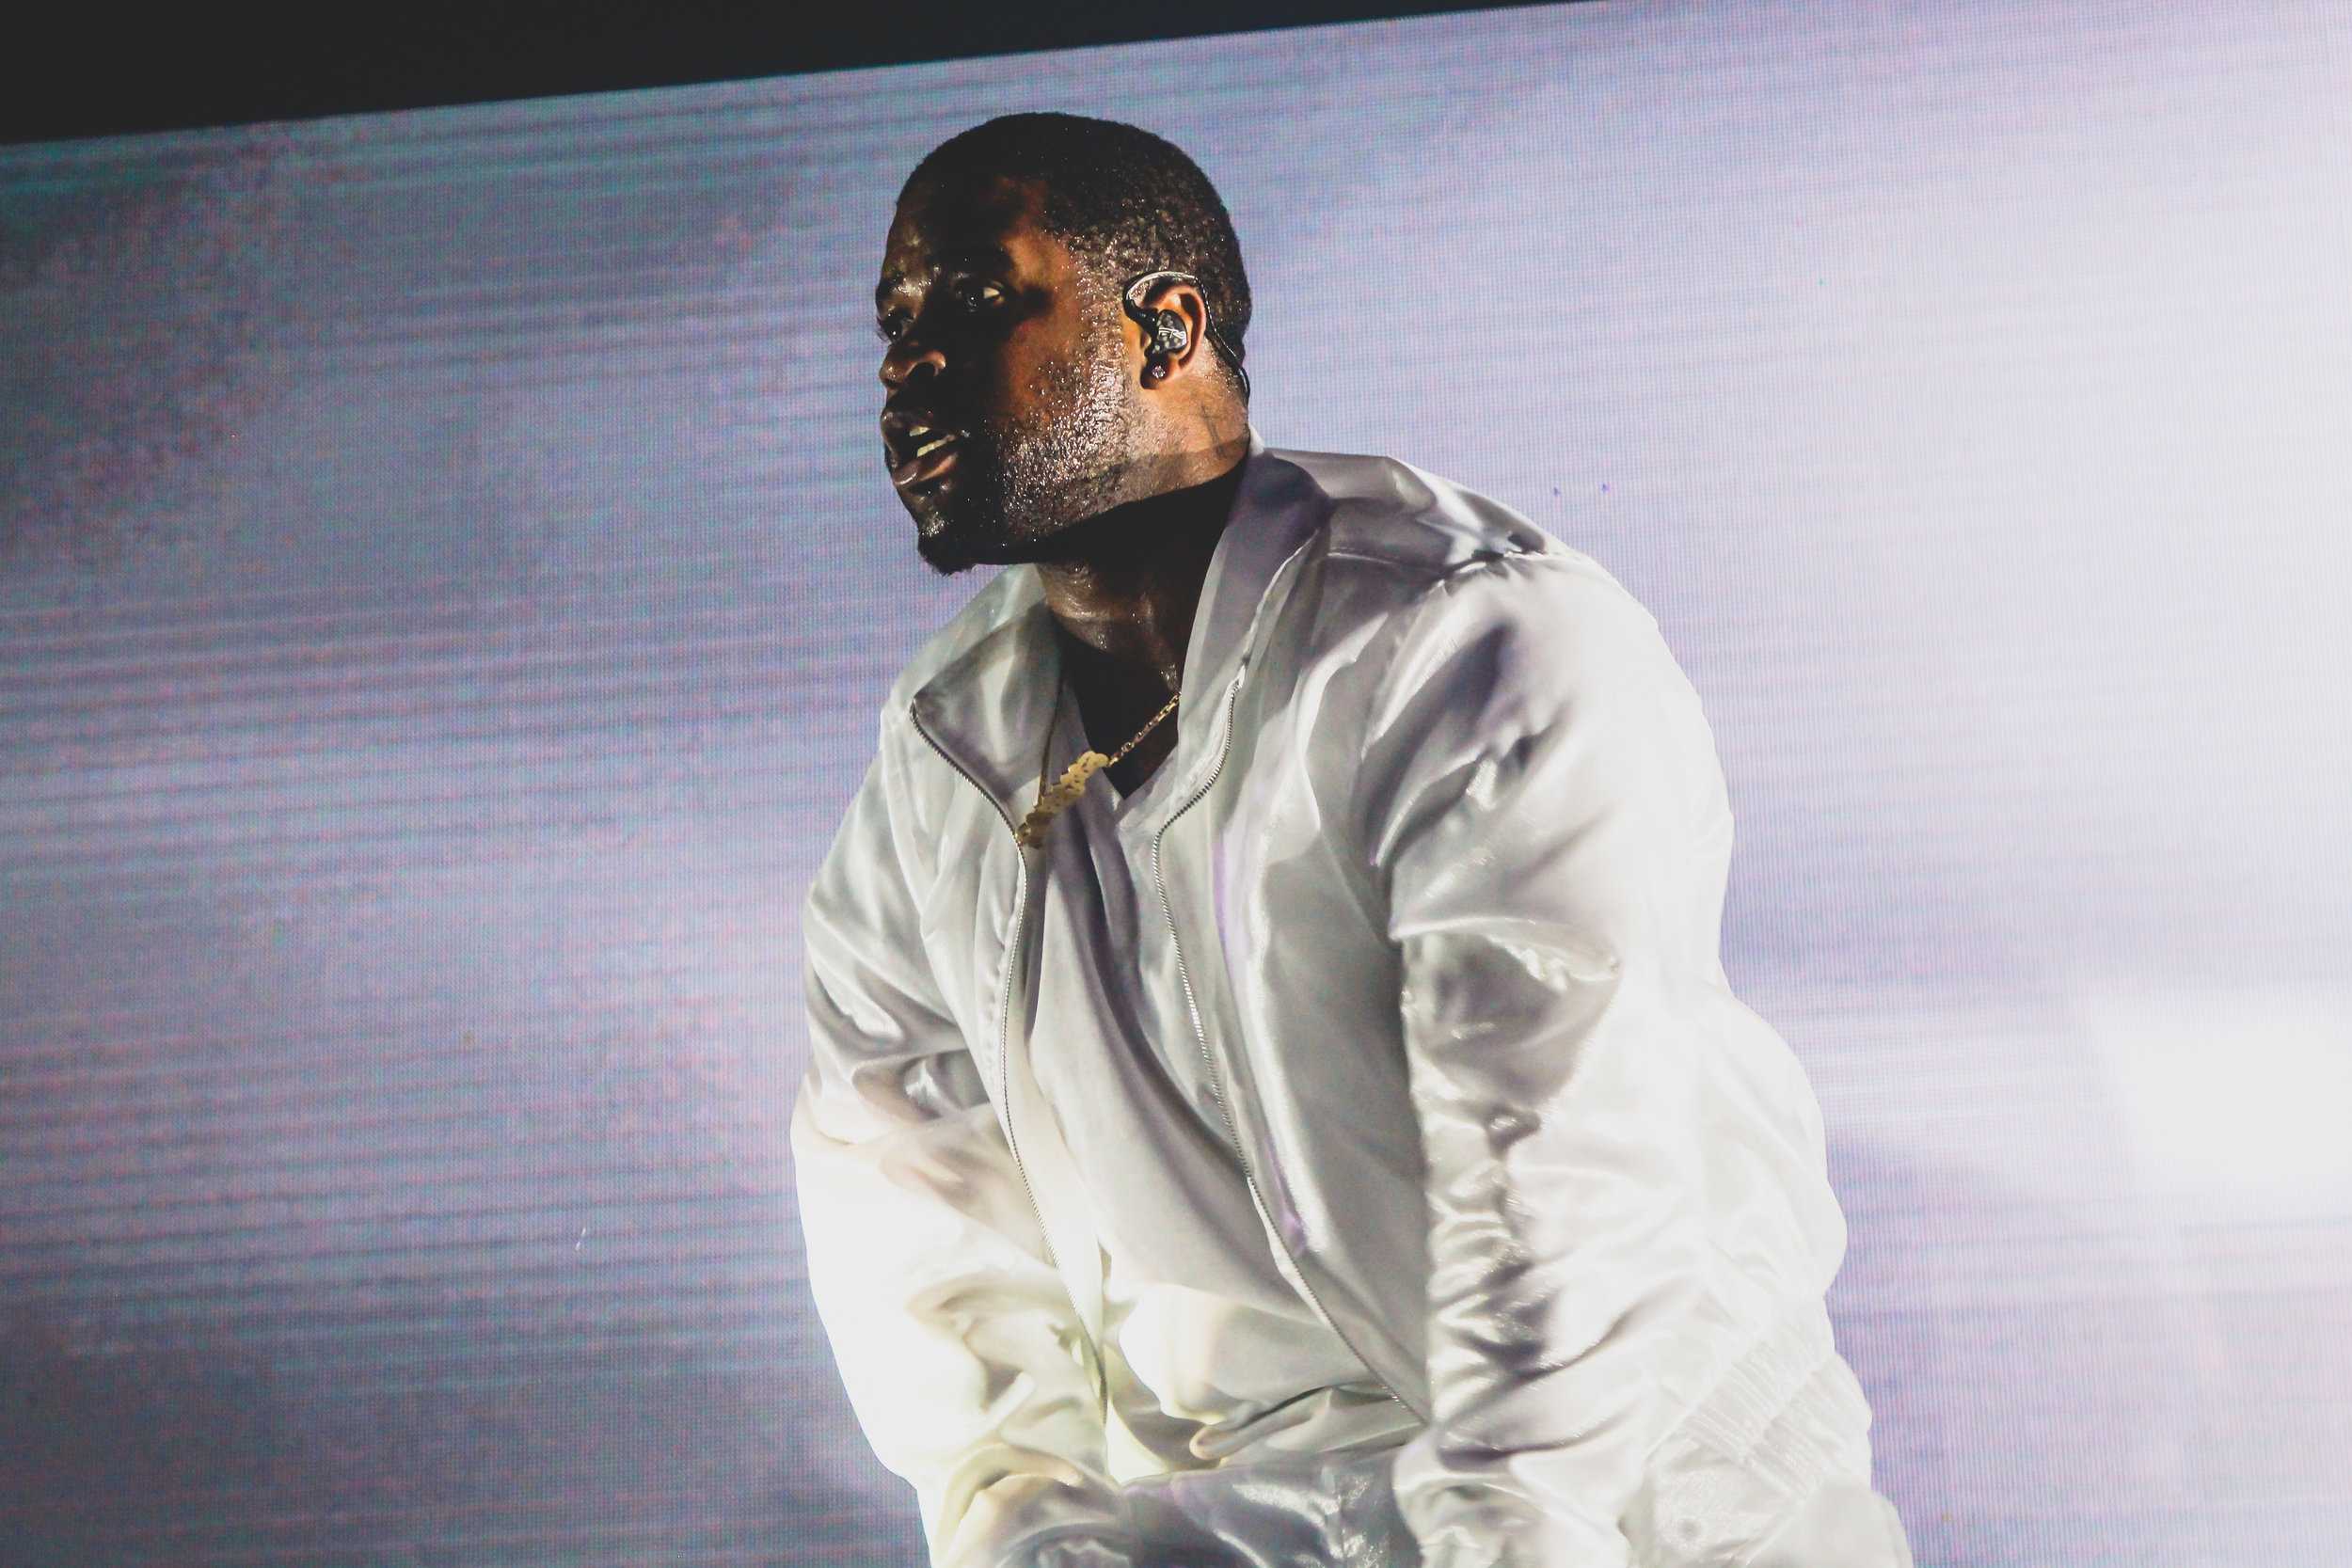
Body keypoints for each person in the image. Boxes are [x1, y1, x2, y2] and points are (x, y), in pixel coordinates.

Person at [790, 111, 1915, 1568]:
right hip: (1245, 1528)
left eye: (978, 300)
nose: (908, 363)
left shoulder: (1470, 646)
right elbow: (921, 1223)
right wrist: (1031, 1531)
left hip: (1650, 1522)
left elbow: (1562, 1177)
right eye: (893, 322)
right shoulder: (937, 769)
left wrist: (1522, 1533)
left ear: (1167, 327)